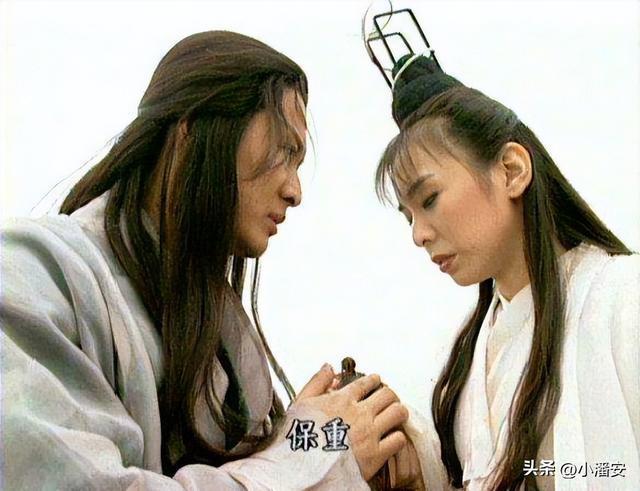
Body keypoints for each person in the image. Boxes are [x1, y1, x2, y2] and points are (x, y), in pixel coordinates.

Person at [0, 31, 412, 489]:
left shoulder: (225, 342)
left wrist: (327, 449)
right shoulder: (30, 276)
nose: (295, 192)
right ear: (192, 132)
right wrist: (312, 458)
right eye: (284, 152)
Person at [374, 53, 639, 490]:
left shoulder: (623, 299)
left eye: (430, 199)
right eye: (409, 217)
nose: (419, 235)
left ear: (512, 171)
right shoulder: (465, 356)